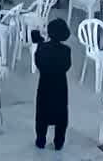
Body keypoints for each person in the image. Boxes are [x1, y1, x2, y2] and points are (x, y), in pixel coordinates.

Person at [31, 18, 72, 150]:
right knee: (61, 115)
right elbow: (67, 66)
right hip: (60, 86)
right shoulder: (66, 50)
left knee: (42, 114)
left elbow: (37, 62)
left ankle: (40, 140)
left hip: (45, 85)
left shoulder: (42, 48)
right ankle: (59, 142)